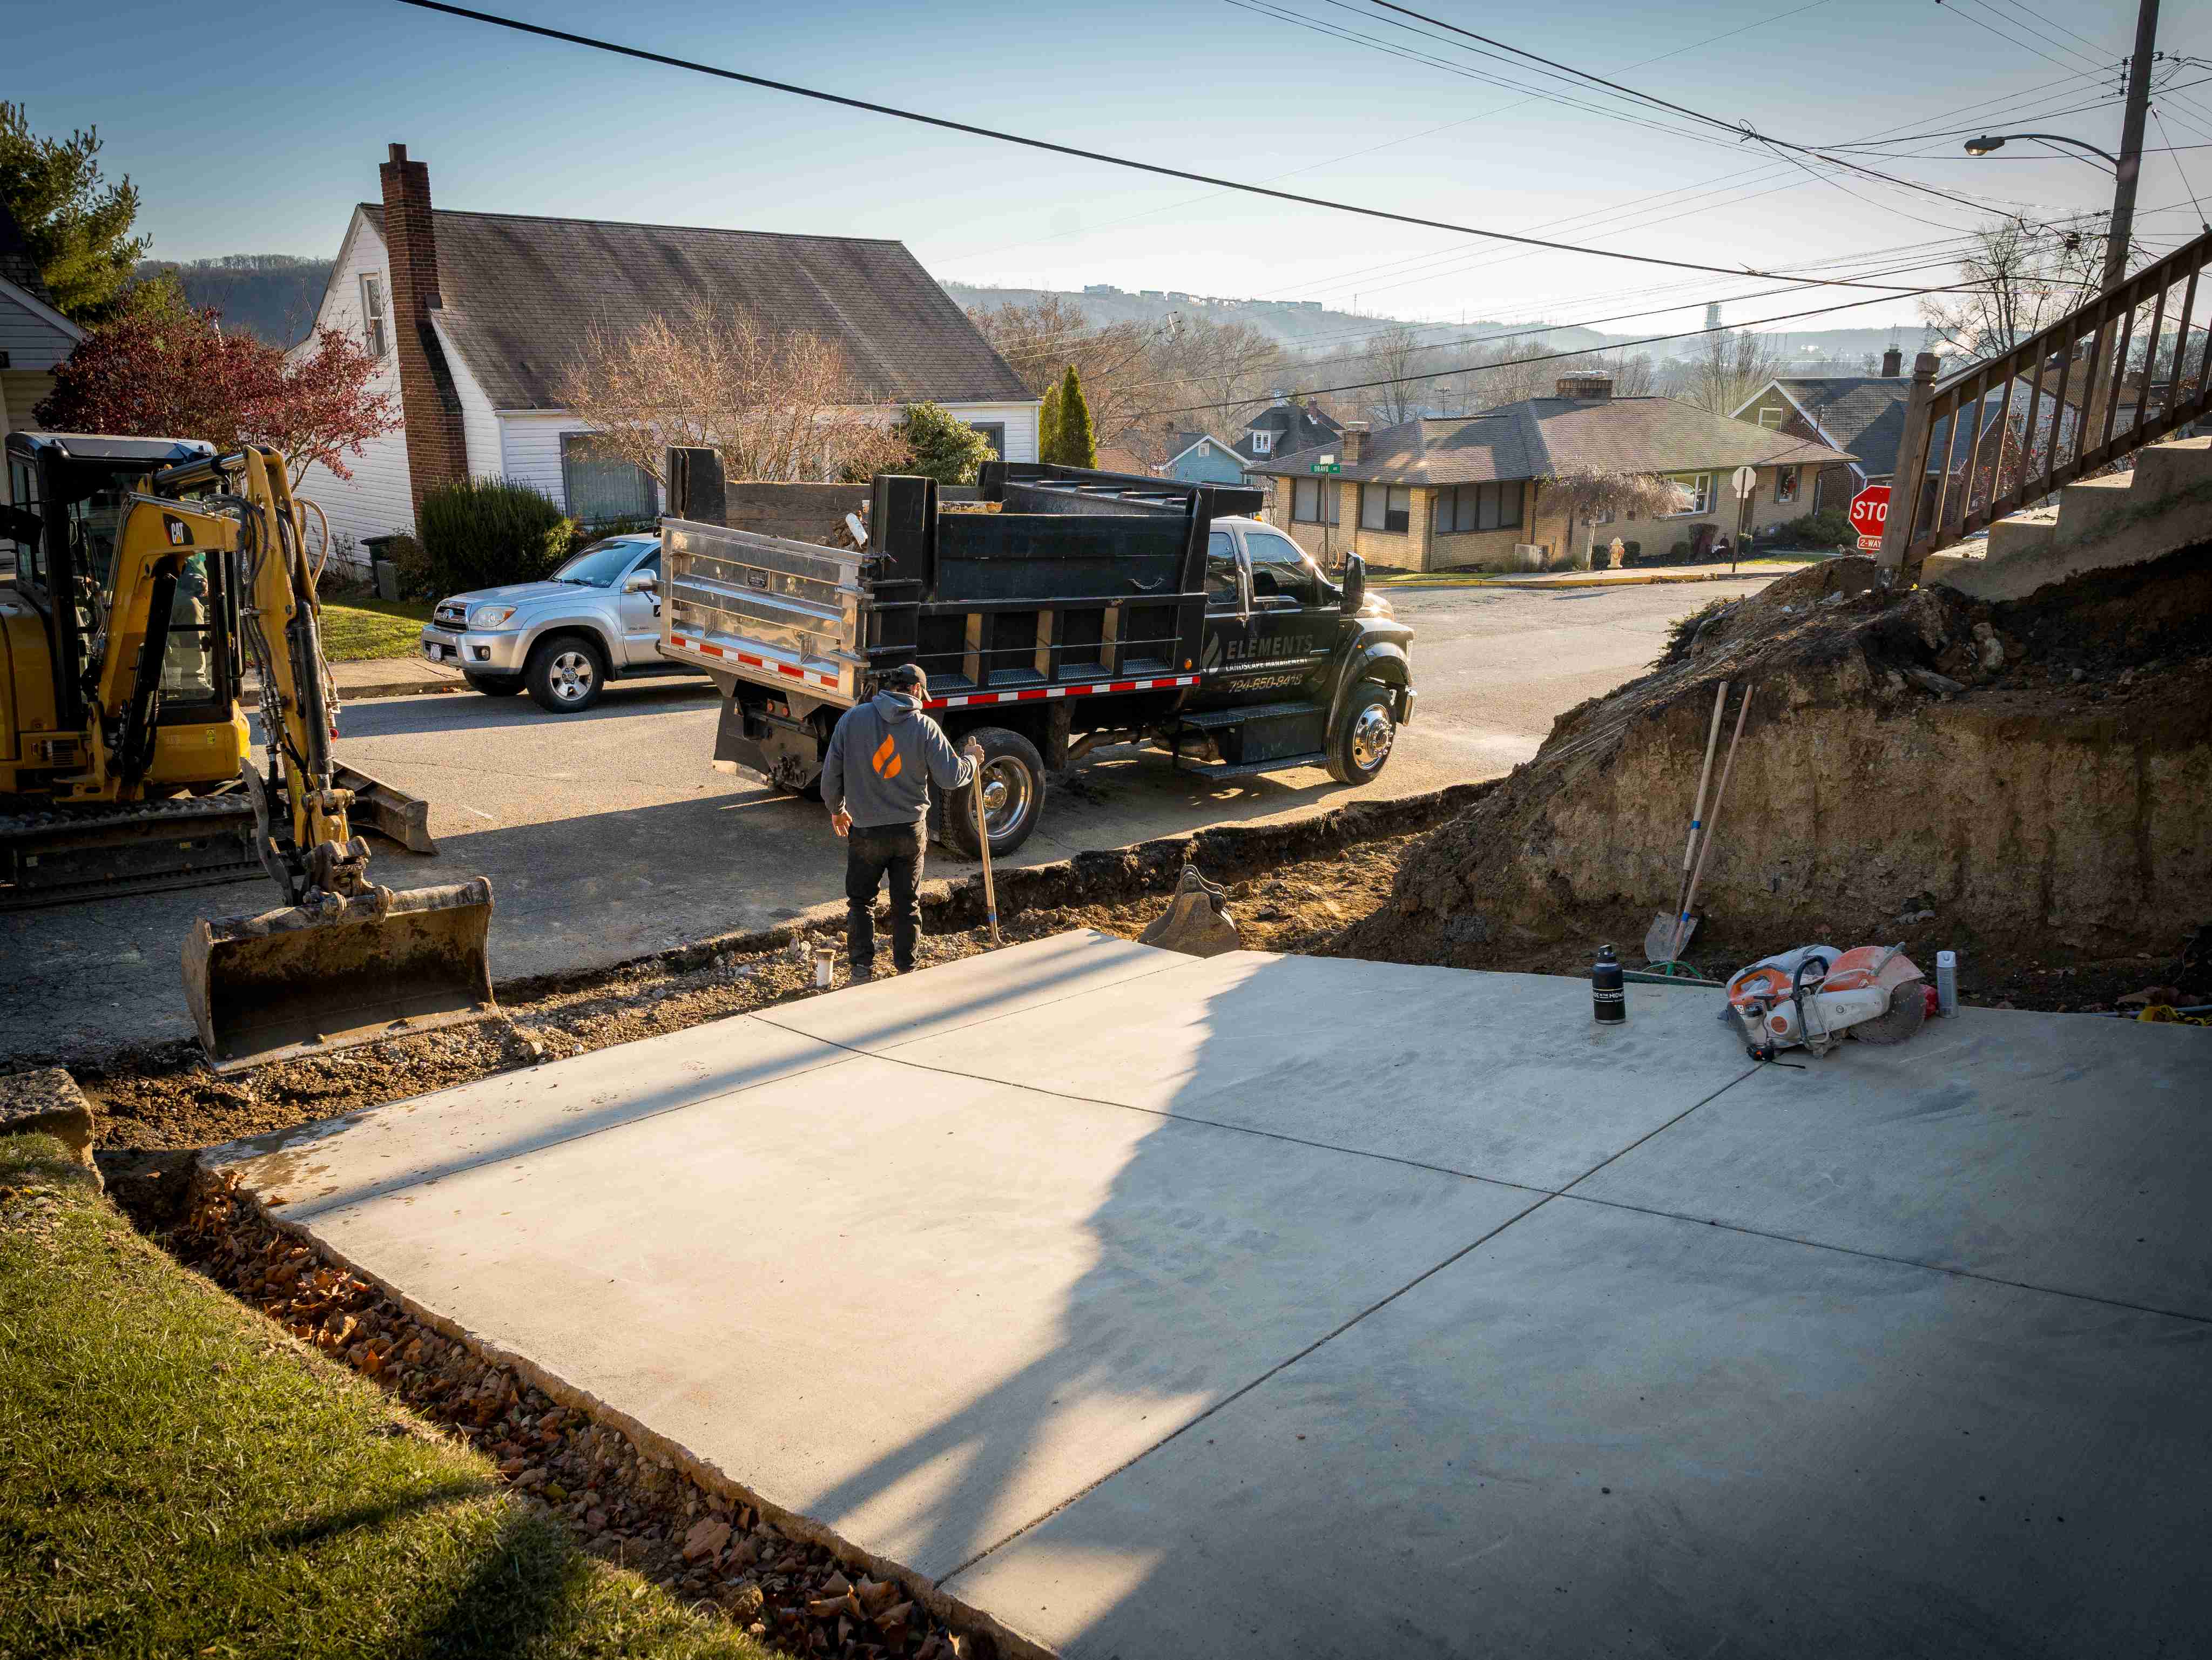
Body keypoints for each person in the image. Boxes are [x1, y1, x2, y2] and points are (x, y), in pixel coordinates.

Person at [819, 664, 979, 983]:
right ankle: (906, 968)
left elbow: (831, 776)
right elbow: (951, 778)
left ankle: (861, 969)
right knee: (906, 903)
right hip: (909, 830)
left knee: (861, 902)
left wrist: (837, 810)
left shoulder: (852, 719)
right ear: (917, 690)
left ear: (889, 687)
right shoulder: (924, 726)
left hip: (865, 830)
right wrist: (972, 759)